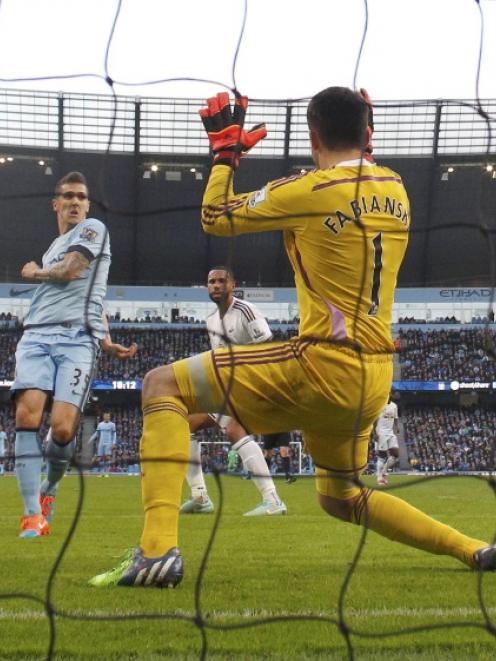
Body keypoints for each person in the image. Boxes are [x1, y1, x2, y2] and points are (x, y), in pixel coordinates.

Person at [90, 87, 495, 588]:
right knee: (340, 497)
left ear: (312, 136)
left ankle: (155, 553)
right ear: (369, 134)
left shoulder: (309, 190)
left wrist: (225, 157)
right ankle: (472, 549)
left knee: (159, 385)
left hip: (324, 363)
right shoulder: (397, 187)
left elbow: (214, 216)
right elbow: (360, 181)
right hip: (374, 378)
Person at [12, 171, 137, 538]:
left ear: (87, 204)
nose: (75, 203)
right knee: (26, 413)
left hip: (76, 342)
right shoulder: (55, 245)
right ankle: (32, 514)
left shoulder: (94, 229)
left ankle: (49, 490)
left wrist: (34, 273)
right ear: (56, 204)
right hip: (35, 336)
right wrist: (108, 337)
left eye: (81, 197)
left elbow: (72, 272)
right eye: (68, 196)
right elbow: (94, 297)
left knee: (63, 428)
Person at [180, 267, 286, 517]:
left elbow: (268, 348)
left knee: (228, 428)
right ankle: (200, 496)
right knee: (187, 425)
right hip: (226, 387)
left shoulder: (246, 311)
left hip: (250, 385)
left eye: (221, 281)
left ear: (232, 284)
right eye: (211, 282)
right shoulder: (211, 320)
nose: (216, 285)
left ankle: (271, 500)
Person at [374, 394, 400, 485]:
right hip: (381, 432)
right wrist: (374, 433)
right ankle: (379, 478)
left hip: (390, 432)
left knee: (395, 455)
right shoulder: (379, 405)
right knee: (382, 456)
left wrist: (397, 427)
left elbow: (396, 418)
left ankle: (384, 472)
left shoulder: (394, 406)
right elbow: (374, 420)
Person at [90, 411, 117, 476]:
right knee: (99, 458)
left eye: (108, 416)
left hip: (108, 443)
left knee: (107, 457)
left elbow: (114, 434)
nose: (106, 417)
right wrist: (90, 439)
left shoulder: (112, 425)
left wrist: (113, 443)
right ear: (103, 417)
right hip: (101, 443)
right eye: (105, 416)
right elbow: (96, 433)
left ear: (109, 417)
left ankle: (106, 472)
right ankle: (101, 472)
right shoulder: (100, 424)